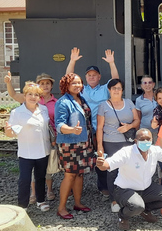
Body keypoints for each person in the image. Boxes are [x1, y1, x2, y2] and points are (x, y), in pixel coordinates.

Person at [95, 128, 162, 231]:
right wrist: (101, 163)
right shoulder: (126, 152)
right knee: (136, 206)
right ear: (135, 141)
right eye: (142, 139)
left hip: (146, 188)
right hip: (125, 190)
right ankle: (123, 216)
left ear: (152, 140)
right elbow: (108, 164)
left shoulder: (154, 150)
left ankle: (145, 211)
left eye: (148, 139)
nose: (145, 142)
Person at [66, 47, 119, 198]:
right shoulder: (81, 89)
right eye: (89, 75)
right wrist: (72, 61)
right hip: (84, 130)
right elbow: (68, 78)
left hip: (102, 129)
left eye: (94, 75)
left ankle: (104, 188)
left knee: (103, 156)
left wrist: (111, 63)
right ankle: (71, 187)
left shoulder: (104, 89)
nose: (91, 77)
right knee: (77, 156)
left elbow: (115, 80)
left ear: (99, 77)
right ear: (85, 77)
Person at [4, 72, 58, 202]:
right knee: (26, 178)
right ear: (26, 95)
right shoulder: (19, 110)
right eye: (42, 83)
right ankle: (27, 201)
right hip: (27, 150)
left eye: (47, 83)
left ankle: (43, 197)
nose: (33, 97)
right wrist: (8, 83)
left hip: (46, 145)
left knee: (44, 174)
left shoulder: (48, 106)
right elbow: (12, 132)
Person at [54, 73, 96, 219]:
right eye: (73, 83)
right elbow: (59, 124)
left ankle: (77, 203)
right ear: (66, 85)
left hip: (84, 142)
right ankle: (61, 208)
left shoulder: (81, 99)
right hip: (69, 144)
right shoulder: (63, 102)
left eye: (79, 83)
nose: (77, 85)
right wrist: (71, 130)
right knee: (70, 175)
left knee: (79, 174)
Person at [97, 79, 140, 213]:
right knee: (112, 171)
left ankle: (129, 197)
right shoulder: (103, 105)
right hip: (111, 142)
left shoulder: (128, 102)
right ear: (109, 90)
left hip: (128, 142)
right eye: (114, 88)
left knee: (128, 169)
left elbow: (137, 120)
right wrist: (100, 146)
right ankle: (114, 199)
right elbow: (99, 127)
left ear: (122, 90)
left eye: (119, 88)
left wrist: (129, 126)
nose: (116, 90)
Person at [135, 75, 157, 141]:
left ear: (153, 84)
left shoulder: (159, 96)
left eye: (150, 82)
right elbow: (138, 117)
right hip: (145, 132)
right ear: (141, 86)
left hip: (159, 131)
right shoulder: (139, 100)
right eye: (144, 83)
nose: (147, 85)